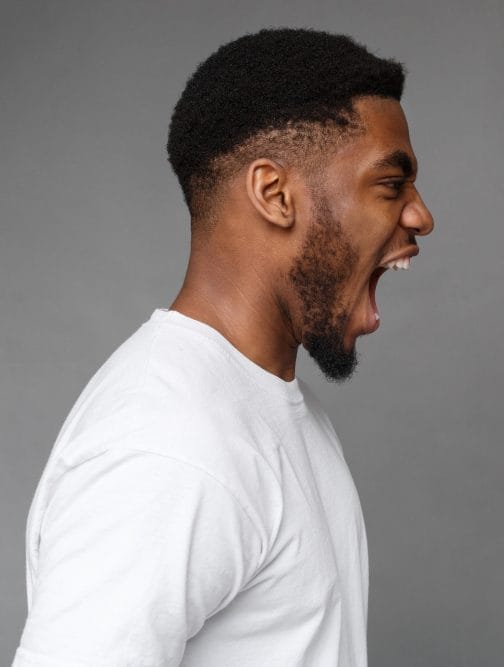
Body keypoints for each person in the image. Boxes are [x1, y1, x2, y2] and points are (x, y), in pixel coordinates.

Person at [15, 28, 432, 666]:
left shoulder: (270, 409)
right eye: (389, 184)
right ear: (274, 195)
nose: (420, 215)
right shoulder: (166, 446)